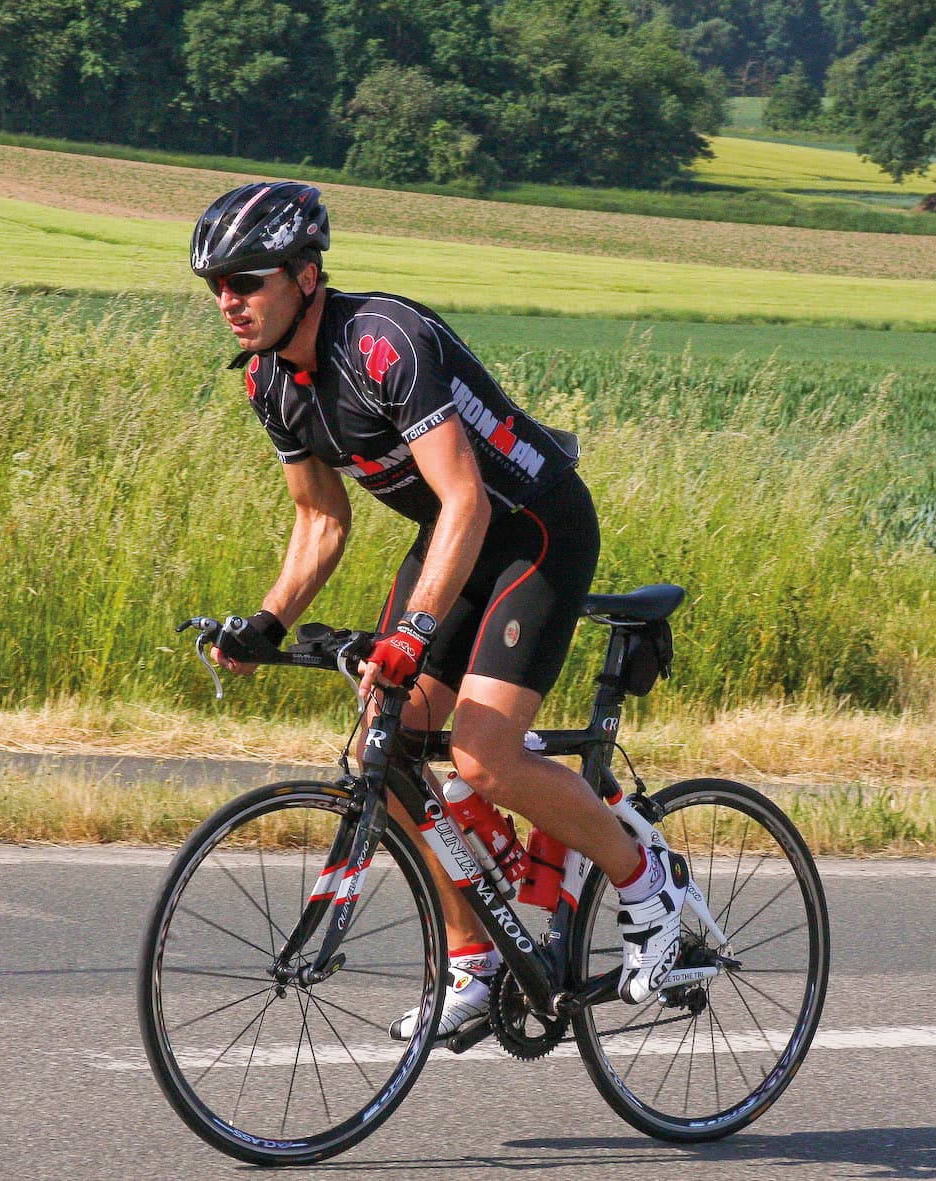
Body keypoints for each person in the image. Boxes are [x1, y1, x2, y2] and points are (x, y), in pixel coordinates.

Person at [193, 181, 691, 1038]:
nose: (229, 302)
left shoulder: (384, 342)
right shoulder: (271, 385)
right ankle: (476, 957)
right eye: (217, 287)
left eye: (249, 281)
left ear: (306, 275)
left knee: (483, 754)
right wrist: (265, 622)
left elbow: (467, 500)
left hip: (532, 526)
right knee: (383, 739)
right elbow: (321, 517)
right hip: (457, 538)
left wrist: (413, 634)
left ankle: (650, 884)